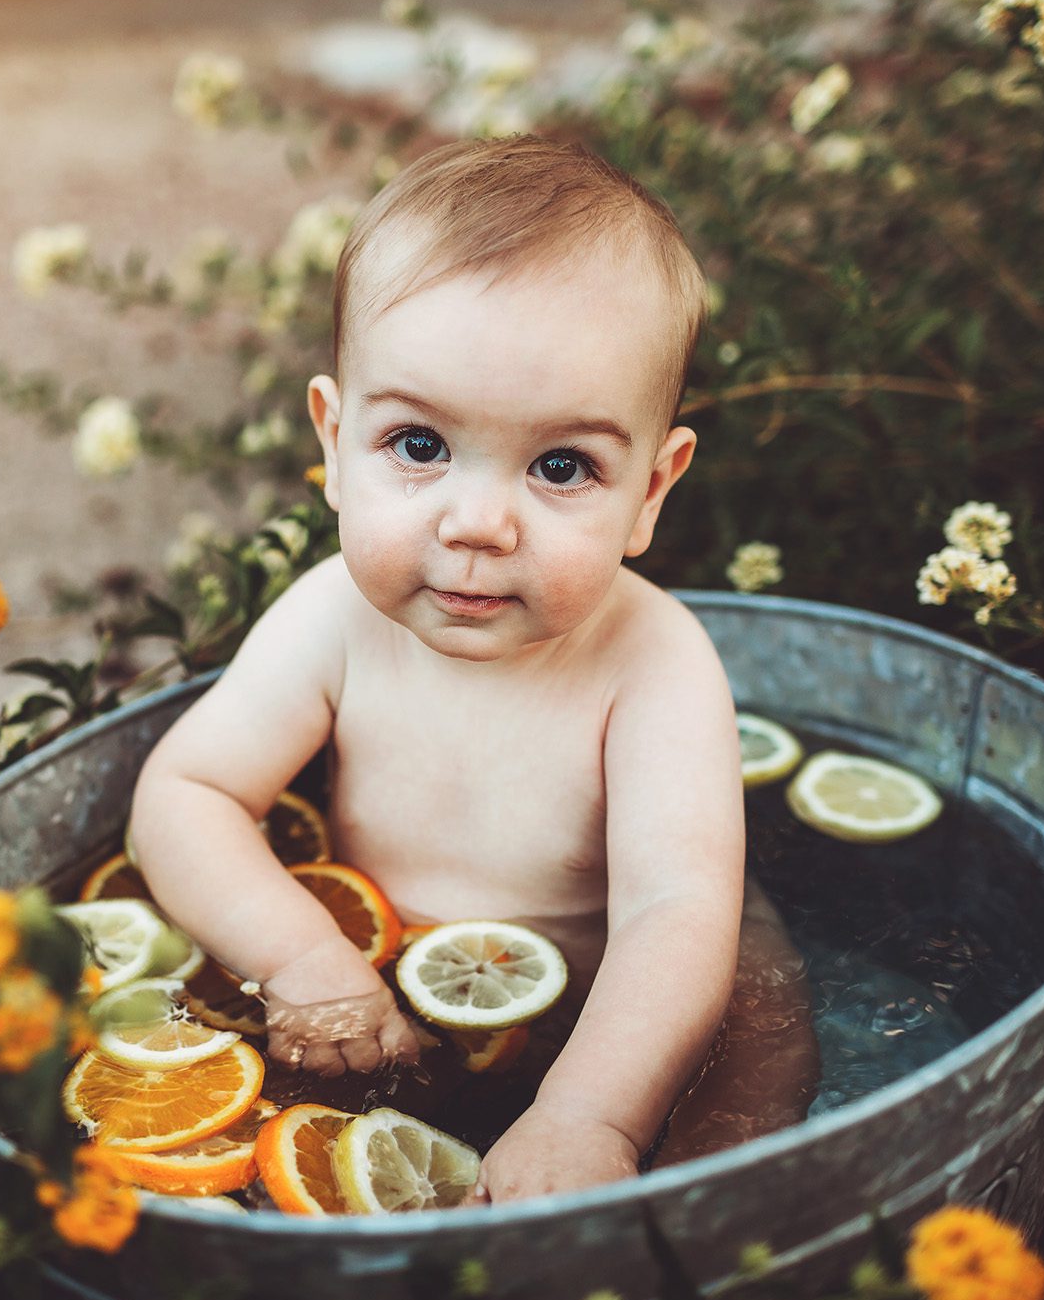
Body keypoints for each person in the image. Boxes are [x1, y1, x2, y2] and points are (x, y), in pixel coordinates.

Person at [130, 136, 815, 1203]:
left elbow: (674, 913)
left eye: (559, 466)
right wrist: (305, 964)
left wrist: (591, 1116)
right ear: (334, 437)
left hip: (614, 1018)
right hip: (379, 979)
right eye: (416, 445)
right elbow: (185, 795)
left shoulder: (653, 663)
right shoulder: (330, 621)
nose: (478, 523)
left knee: (749, 1089)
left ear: (648, 490)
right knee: (257, 1158)